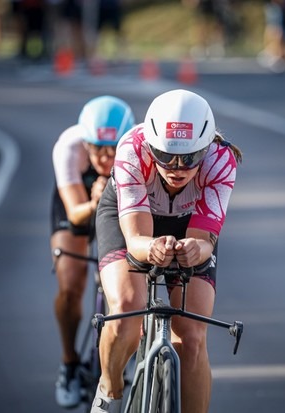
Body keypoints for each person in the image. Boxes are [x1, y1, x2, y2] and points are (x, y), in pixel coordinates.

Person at [91, 89, 243, 413]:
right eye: (164, 155)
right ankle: (109, 392)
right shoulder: (131, 149)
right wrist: (152, 248)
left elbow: (203, 240)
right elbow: (135, 240)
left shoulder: (221, 159)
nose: (176, 168)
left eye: (189, 158)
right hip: (133, 221)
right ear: (149, 145)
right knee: (126, 310)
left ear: (206, 148)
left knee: (192, 337)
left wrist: (195, 249)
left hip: (189, 227)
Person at [50, 96, 135, 408]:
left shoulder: (137, 145)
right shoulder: (68, 147)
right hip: (81, 202)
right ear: (84, 140)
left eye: (112, 149)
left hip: (120, 201)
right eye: (96, 147)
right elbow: (73, 213)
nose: (105, 156)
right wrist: (95, 200)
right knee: (70, 283)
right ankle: (69, 363)